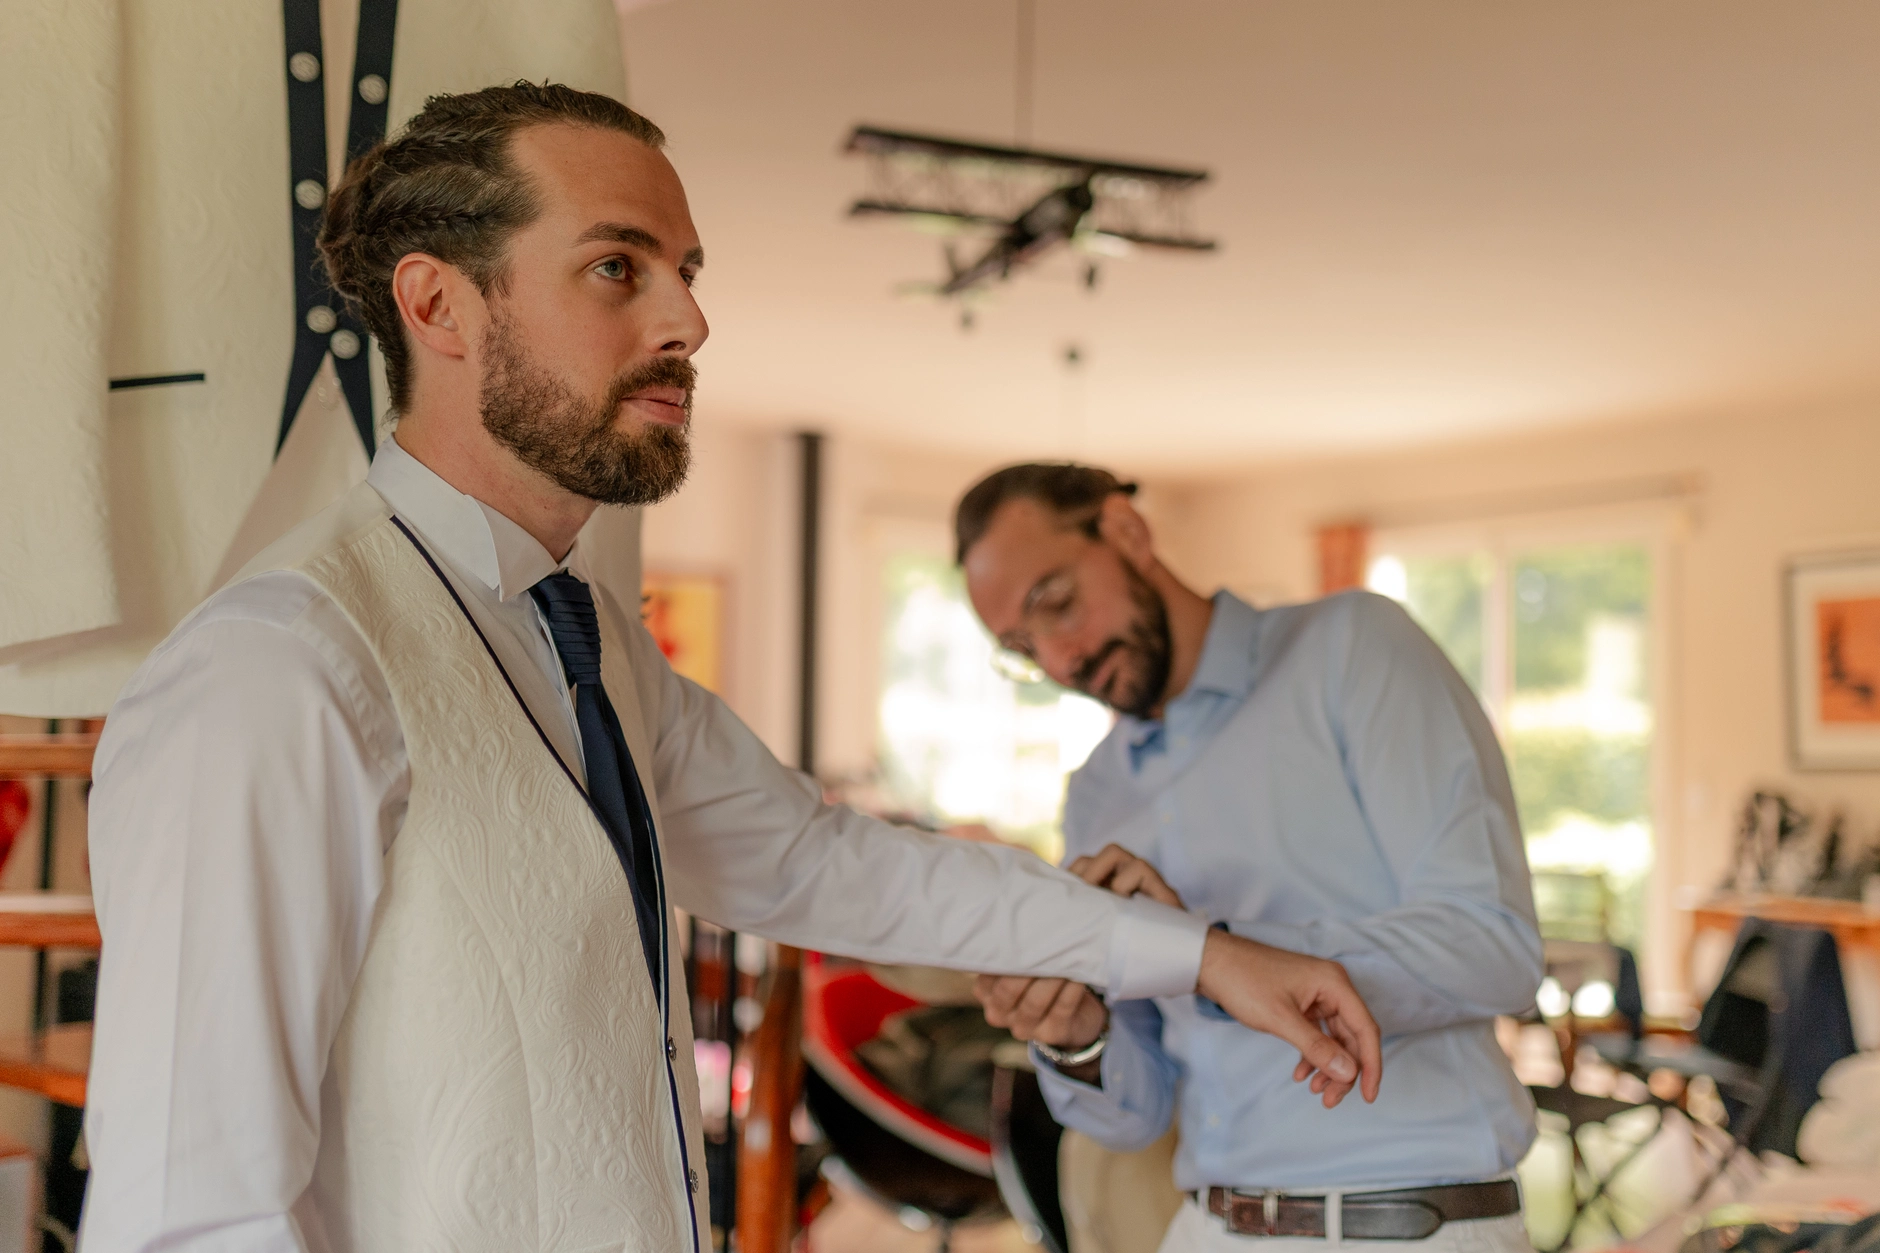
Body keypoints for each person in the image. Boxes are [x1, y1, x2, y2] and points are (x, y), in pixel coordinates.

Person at [77, 85, 1382, 1253]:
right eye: (616, 267)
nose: (689, 320)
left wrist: (1201, 955)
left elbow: (830, 866)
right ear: (439, 306)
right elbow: (190, 1209)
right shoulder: (276, 670)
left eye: (686, 271)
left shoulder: (590, 643)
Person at [958, 465, 1543, 1253]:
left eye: (1056, 602)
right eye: (1024, 648)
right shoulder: (1096, 793)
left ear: (1126, 530)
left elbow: (1496, 945)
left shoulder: (1354, 647)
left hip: (1405, 1222)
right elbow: (1136, 1114)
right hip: (1204, 1227)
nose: (1062, 659)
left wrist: (1214, 958)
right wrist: (1077, 1036)